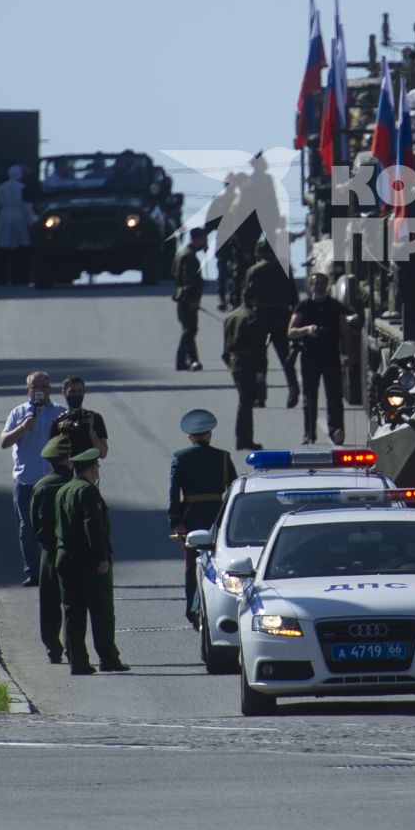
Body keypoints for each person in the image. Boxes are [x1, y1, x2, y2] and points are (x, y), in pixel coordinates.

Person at [54, 448, 128, 674]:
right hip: (87, 559)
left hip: (64, 555)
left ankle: (77, 661)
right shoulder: (88, 491)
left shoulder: (63, 490)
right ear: (93, 468)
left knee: (72, 611)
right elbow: (92, 527)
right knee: (101, 610)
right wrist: (101, 557)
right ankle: (108, 658)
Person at [169, 408, 239, 624]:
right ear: (209, 434)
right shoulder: (223, 457)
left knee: (192, 565)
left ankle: (193, 608)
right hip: (218, 515)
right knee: (218, 562)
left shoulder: (180, 458)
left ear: (190, 437)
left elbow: (174, 492)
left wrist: (176, 521)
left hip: (191, 516)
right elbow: (234, 488)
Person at [0, 371, 62, 586]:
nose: (40, 392)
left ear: (50, 389)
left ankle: (53, 568)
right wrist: (23, 427)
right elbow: (4, 442)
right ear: (28, 391)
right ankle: (33, 571)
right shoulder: (18, 413)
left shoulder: (60, 413)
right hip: (25, 479)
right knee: (27, 527)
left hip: (52, 479)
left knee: (53, 525)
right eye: (35, 388)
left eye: (44, 387)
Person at [288, 272, 350, 445]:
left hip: (331, 357)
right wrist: (307, 330)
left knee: (335, 397)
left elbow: (345, 333)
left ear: (328, 286)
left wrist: (347, 355)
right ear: (310, 286)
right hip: (310, 357)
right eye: (316, 283)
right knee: (309, 397)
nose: (320, 286)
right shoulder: (303, 306)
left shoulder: (335, 306)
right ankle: (309, 434)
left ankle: (336, 431)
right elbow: (291, 332)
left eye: (323, 283)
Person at [30, 436, 74, 663]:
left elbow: (34, 524)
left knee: (49, 602)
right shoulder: (77, 485)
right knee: (72, 602)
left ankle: (52, 648)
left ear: (49, 462)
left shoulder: (41, 486)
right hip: (74, 551)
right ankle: (73, 647)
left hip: (49, 551)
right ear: (69, 459)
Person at [245, 242, 299, 407]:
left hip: (260, 316)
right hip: (282, 315)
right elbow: (294, 297)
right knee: (285, 357)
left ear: (258, 254)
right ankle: (293, 389)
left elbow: (247, 296)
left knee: (259, 358)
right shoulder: (285, 269)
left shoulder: (253, 271)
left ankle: (260, 396)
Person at [222, 289, 270, 450]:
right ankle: (244, 439)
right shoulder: (253, 318)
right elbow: (259, 348)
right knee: (246, 402)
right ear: (254, 299)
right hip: (249, 363)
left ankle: (243, 438)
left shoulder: (230, 317)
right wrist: (261, 370)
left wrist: (230, 363)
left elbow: (225, 350)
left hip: (235, 362)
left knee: (245, 400)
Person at [0, 163, 36, 286]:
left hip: (4, 217)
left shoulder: (1, 188)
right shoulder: (23, 188)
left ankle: (1, 278)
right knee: (21, 247)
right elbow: (27, 207)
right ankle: (20, 278)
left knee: (3, 247)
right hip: (20, 217)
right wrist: (30, 224)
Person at [49, 376, 109, 460]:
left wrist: (91, 432)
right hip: (68, 470)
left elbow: (103, 453)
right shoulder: (58, 422)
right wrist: (63, 435)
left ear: (84, 393)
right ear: (64, 393)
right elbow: (52, 456)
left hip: (89, 469)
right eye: (72, 392)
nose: (76, 395)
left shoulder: (94, 418)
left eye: (80, 391)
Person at [173, 227, 208, 371]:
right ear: (198, 239)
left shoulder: (182, 253)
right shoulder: (188, 256)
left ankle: (181, 361)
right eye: (204, 240)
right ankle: (193, 360)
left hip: (185, 297)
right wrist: (191, 300)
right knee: (189, 329)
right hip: (188, 298)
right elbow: (188, 280)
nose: (205, 243)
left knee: (189, 329)